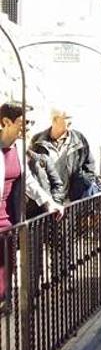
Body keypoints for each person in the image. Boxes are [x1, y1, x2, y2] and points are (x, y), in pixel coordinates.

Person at [29, 107, 100, 203]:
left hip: (73, 199)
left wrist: (83, 184)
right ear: (55, 120)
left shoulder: (79, 138)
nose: (71, 121)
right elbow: (34, 169)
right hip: (50, 198)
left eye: (71, 117)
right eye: (67, 117)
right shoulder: (38, 140)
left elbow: (89, 164)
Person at [1, 102, 27, 300]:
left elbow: (30, 181)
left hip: (9, 220)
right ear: (6, 122)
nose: (24, 127)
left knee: (7, 269)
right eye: (20, 122)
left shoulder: (19, 149)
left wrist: (49, 203)